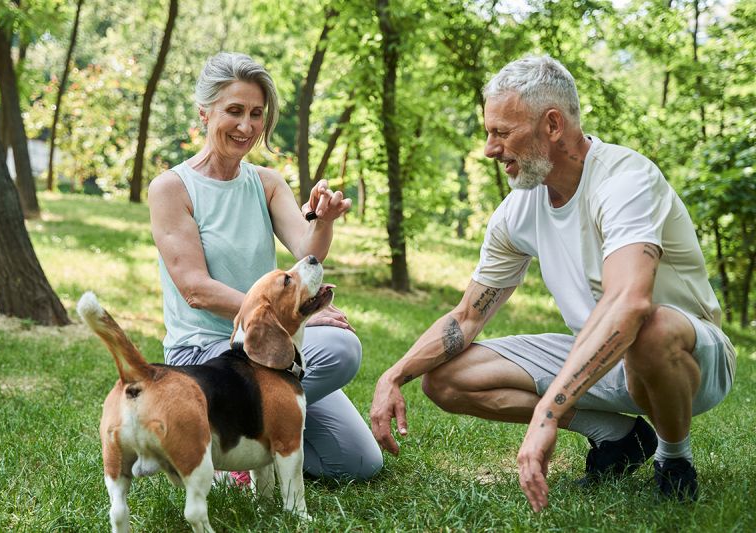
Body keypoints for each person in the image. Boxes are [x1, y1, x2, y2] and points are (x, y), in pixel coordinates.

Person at [369, 55, 735, 510]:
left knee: (650, 326)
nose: (489, 148)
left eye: (502, 133)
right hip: (598, 353)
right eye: (489, 133)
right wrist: (394, 375)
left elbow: (629, 304)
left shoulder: (626, 180)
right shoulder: (519, 209)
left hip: (692, 360)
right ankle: (620, 438)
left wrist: (549, 411)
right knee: (444, 379)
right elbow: (466, 317)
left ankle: (673, 457)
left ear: (553, 125)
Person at [149, 51, 383, 482]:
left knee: (357, 463)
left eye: (256, 113)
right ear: (204, 113)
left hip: (273, 352)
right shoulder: (172, 188)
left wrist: (325, 221)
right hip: (208, 356)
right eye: (234, 111)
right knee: (340, 350)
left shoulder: (267, 183)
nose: (247, 125)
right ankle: (221, 450)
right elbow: (195, 288)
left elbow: (308, 248)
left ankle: (246, 449)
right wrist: (281, 315)